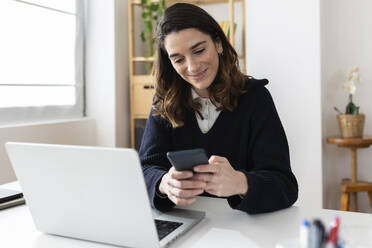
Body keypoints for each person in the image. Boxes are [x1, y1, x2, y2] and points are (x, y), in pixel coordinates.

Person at [139, 3, 298, 214]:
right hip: (186, 225)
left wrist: (241, 183)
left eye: (199, 50)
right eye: (178, 59)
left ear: (219, 43)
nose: (192, 67)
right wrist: (163, 183)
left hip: (244, 230)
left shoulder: (255, 97)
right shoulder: (164, 102)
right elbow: (145, 169)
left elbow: (284, 185)